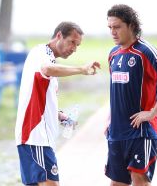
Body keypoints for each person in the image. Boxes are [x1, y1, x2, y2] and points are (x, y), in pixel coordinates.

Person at [15, 21, 100, 186]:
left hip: (38, 137)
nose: (74, 48)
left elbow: (41, 99)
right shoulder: (41, 52)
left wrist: (60, 115)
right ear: (59, 35)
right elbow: (47, 69)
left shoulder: (50, 60)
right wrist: (81, 69)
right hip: (36, 135)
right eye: (72, 42)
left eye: (78, 45)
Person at [104, 4, 157, 186]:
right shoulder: (113, 54)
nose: (113, 32)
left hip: (141, 132)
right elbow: (118, 90)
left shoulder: (145, 51)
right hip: (116, 132)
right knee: (116, 183)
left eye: (117, 27)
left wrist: (152, 112)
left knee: (139, 179)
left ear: (131, 25)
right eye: (110, 28)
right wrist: (109, 118)